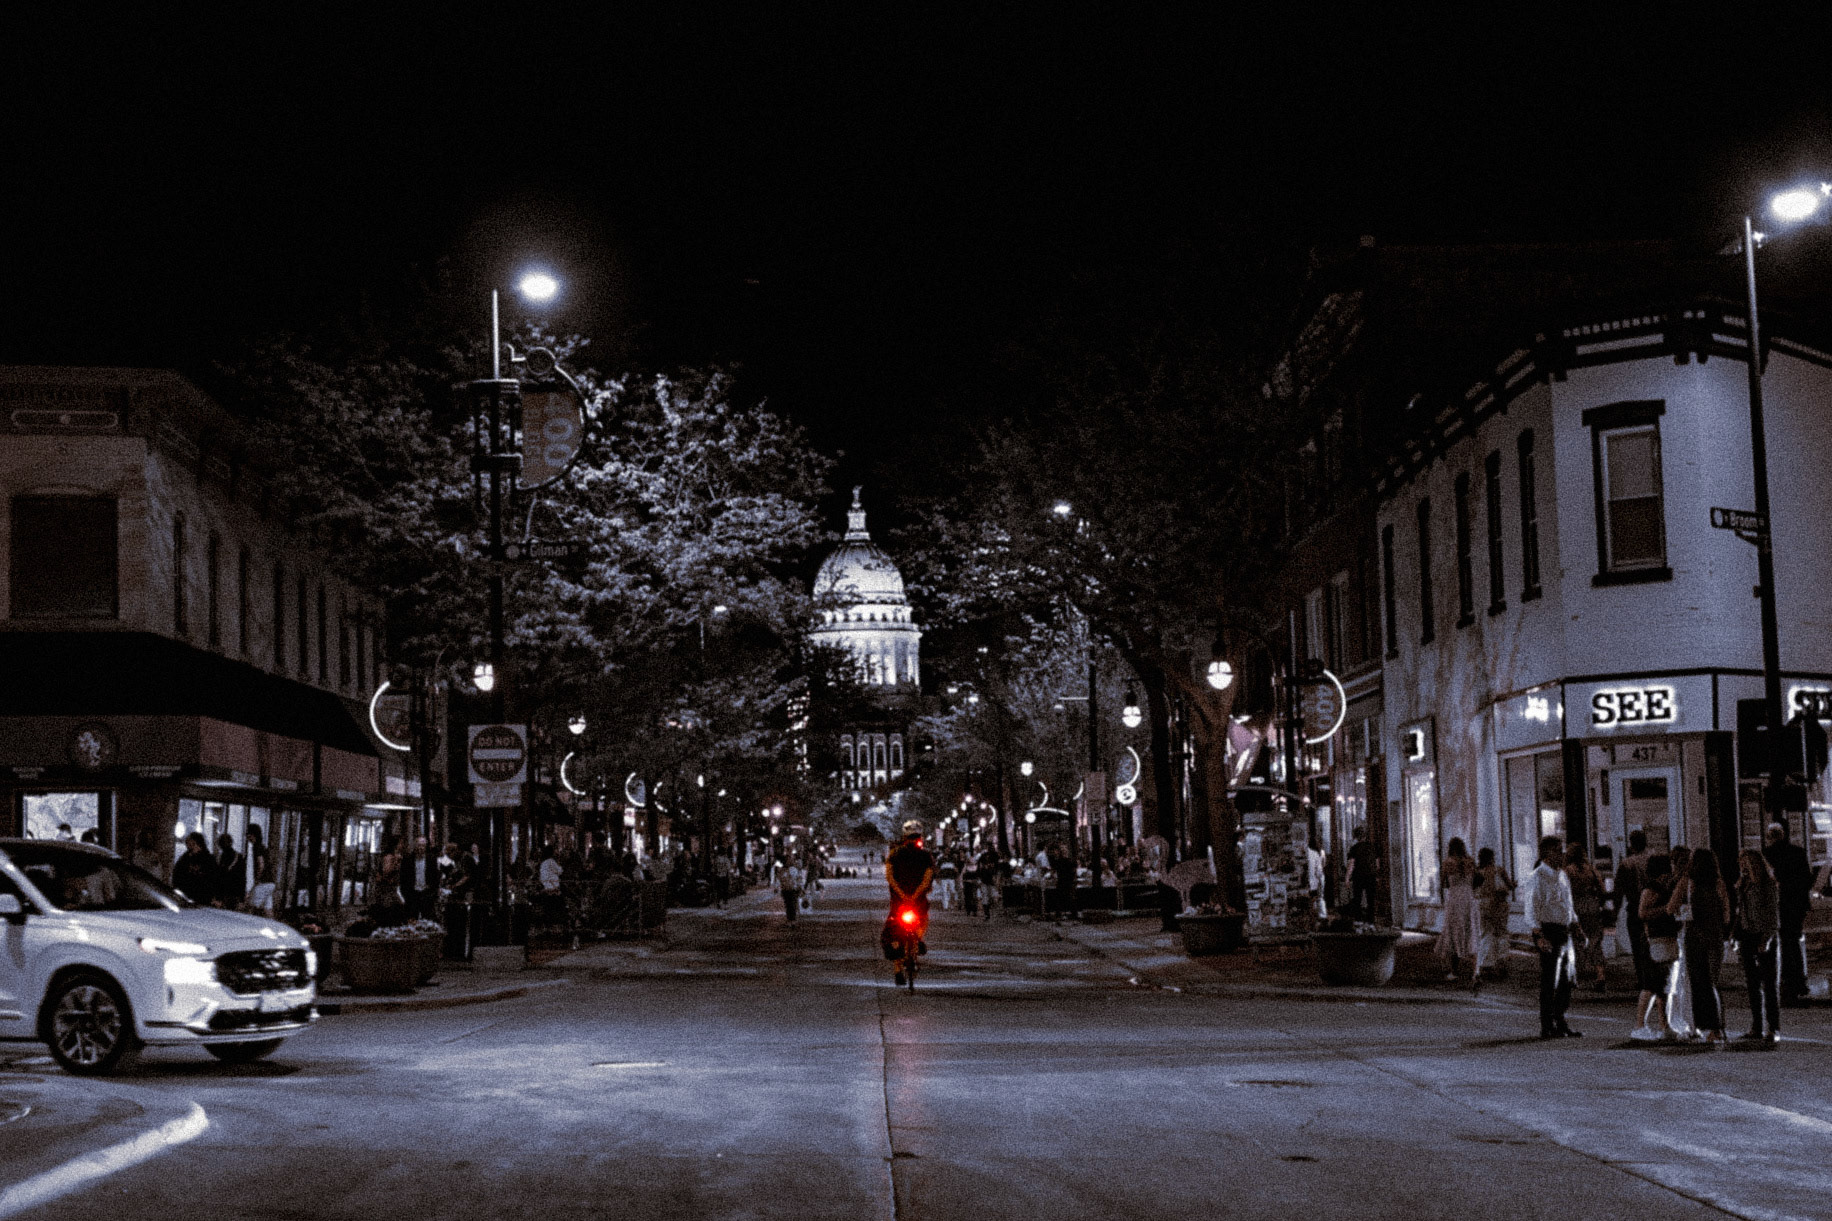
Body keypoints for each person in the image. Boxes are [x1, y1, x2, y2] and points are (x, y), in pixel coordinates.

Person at [1669, 846, 1729, 1046]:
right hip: (1715, 936)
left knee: (1698, 983)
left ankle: (1703, 1025)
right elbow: (1727, 915)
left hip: (1694, 937)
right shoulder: (1719, 884)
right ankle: (1717, 1027)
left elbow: (1671, 908)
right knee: (1713, 982)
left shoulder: (1687, 882)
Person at [1526, 835, 1584, 1039]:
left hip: (1564, 929)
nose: (1562, 854)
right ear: (1547, 853)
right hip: (1548, 930)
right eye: (1558, 850)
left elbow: (1567, 903)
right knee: (1550, 979)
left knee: (1567, 979)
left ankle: (1559, 1019)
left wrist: (1576, 924)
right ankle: (1547, 1023)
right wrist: (1538, 935)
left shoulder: (1562, 875)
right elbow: (1531, 909)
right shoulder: (1537, 876)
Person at [1734, 847, 1782, 1044]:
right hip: (1747, 935)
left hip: (1763, 935)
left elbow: (1772, 915)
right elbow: (1741, 912)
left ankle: (1773, 1027)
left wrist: (1766, 938)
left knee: (1769, 984)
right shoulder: (1744, 884)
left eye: (1747, 863)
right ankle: (1756, 1025)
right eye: (1742, 863)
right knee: (1752, 984)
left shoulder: (1767, 884)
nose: (1744, 867)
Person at [1763, 823, 1813, 1005]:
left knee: (1780, 945)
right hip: (1796, 906)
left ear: (1770, 837)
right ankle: (1798, 982)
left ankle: (1784, 982)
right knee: (1792, 943)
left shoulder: (1767, 855)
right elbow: (1807, 879)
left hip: (1778, 905)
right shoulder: (1798, 852)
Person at [1632, 854, 1681, 1040]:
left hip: (1663, 938)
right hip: (1653, 940)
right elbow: (1643, 913)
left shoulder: (1662, 887)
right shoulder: (1651, 889)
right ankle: (1640, 1025)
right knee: (1651, 985)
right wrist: (1667, 908)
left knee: (1663, 986)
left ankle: (1664, 1025)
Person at [884, 821, 936, 984]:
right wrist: (915, 894)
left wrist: (901, 893)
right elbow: (927, 878)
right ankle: (919, 938)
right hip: (917, 900)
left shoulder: (894, 854)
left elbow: (890, 877)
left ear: (904, 837)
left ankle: (897, 969)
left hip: (899, 901)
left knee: (894, 933)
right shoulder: (926, 856)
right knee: (923, 919)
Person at [1615, 830, 1652, 1010]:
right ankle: (1652, 975)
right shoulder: (1653, 860)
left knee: (1637, 946)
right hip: (1653, 905)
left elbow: (1618, 890)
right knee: (1653, 942)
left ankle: (1642, 978)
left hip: (1635, 906)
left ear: (1631, 844)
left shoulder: (1626, 864)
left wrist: (1614, 911)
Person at [1436, 837, 1479, 984]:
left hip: (1454, 899)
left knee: (1453, 931)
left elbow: (1443, 883)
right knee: (1470, 930)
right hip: (1468, 898)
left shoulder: (1447, 863)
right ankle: (1474, 972)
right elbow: (1476, 880)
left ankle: (1454, 971)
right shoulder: (1470, 861)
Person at [1565, 842, 1607, 992]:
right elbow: (1602, 890)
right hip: (1592, 905)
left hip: (1576, 906)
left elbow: (1564, 892)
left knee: (1576, 940)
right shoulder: (1592, 870)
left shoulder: (1568, 871)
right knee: (1595, 940)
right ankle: (1600, 974)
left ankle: (1576, 975)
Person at [1473, 847, 1514, 979]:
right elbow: (1510, 886)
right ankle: (1502, 958)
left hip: (1484, 904)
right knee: (1501, 932)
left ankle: (1486, 963)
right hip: (1500, 904)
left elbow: (1473, 889)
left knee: (1486, 933)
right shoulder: (1499, 870)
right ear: (1492, 857)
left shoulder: (1478, 872)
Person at [172, 832, 219, 906]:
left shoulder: (208, 859)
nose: (188, 846)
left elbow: (214, 878)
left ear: (197, 844)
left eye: (191, 844)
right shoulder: (184, 858)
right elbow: (177, 875)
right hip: (186, 897)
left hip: (203, 899)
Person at [1347, 825, 1378, 920]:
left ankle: (1358, 919)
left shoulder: (1354, 848)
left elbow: (1351, 864)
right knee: (1371, 900)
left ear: (1356, 837)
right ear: (1365, 836)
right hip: (1371, 875)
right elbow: (1377, 863)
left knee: (1357, 899)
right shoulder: (1372, 847)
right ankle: (1371, 920)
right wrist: (1376, 874)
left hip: (1358, 876)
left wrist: (1347, 877)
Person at [247, 825, 276, 916]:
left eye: (248, 834)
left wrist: (257, 879)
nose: (247, 837)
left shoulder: (257, 847)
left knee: (251, 907)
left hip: (263, 883)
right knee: (268, 909)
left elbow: (261, 864)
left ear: (252, 835)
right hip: (270, 882)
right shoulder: (263, 847)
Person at [215, 833, 246, 908]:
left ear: (220, 845)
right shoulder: (239, 857)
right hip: (235, 893)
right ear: (231, 843)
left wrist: (217, 897)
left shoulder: (219, 858)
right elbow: (242, 879)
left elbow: (217, 879)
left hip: (223, 894)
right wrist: (242, 899)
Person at [779, 859, 806, 923]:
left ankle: (792, 919)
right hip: (786, 889)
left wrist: (801, 888)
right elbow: (781, 880)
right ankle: (790, 919)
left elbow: (799, 879)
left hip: (793, 889)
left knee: (792, 904)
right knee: (788, 905)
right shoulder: (782, 870)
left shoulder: (794, 870)